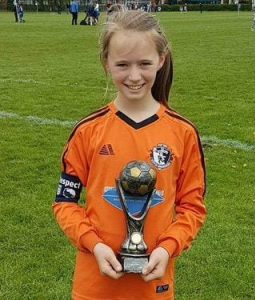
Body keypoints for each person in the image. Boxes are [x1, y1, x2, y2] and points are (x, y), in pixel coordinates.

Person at [53, 8, 206, 300]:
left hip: (154, 285)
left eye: (144, 63)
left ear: (161, 60)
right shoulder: (88, 131)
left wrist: (168, 247)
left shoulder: (183, 133)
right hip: (94, 285)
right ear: (106, 63)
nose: (134, 76)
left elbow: (193, 207)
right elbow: (65, 203)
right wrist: (93, 244)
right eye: (122, 64)